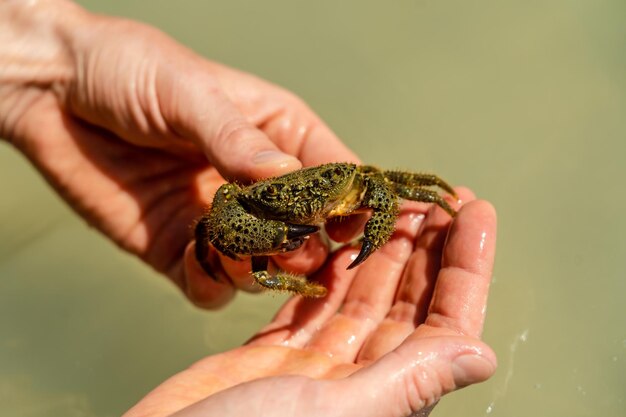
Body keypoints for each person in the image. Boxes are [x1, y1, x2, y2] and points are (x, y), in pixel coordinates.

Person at [0, 1, 498, 416]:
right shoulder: (252, 198)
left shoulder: (353, 183)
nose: (307, 208)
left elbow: (392, 189)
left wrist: (55, 54)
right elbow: (216, 220)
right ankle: (305, 277)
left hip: (334, 190)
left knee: (400, 187)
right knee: (249, 261)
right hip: (268, 203)